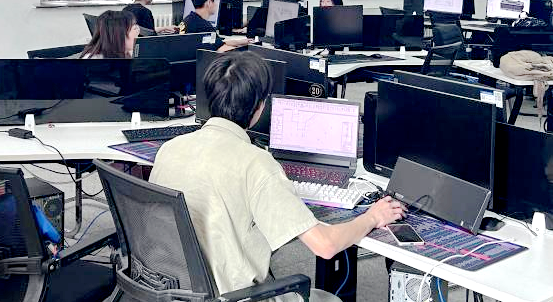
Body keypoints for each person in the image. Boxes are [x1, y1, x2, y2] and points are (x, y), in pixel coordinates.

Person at [150, 52, 404, 301]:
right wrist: (373, 216)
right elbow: (325, 246)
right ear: (260, 106)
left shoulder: (170, 149)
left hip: (172, 292)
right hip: (235, 296)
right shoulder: (255, 163)